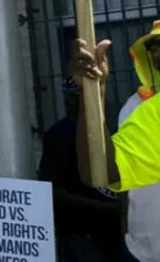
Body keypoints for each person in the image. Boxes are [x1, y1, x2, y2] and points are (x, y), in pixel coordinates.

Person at [37, 78, 120, 261]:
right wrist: (107, 208)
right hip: (83, 236)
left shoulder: (114, 127)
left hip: (117, 234)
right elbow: (52, 190)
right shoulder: (63, 134)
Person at [72, 37, 160, 192]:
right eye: (153, 48)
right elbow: (101, 171)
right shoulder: (148, 110)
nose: (157, 53)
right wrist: (92, 91)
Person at [115, 25, 160, 262]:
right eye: (153, 47)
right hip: (140, 250)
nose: (158, 53)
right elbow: (123, 175)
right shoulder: (133, 107)